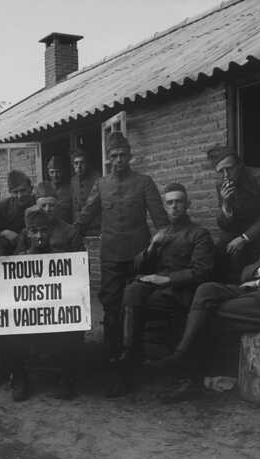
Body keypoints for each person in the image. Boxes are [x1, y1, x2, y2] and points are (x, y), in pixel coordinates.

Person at [153, 195, 260, 374]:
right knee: (207, 290)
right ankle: (183, 357)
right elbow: (245, 273)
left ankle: (189, 365)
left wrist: (258, 282)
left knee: (215, 311)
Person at [74, 131, 168, 393]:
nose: (118, 160)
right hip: (111, 257)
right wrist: (67, 234)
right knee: (112, 310)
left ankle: (133, 362)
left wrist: (151, 249)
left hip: (139, 257)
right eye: (113, 156)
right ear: (108, 159)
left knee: (136, 307)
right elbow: (85, 216)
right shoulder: (102, 185)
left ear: (130, 156)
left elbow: (162, 224)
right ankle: (113, 363)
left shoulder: (144, 182)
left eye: (122, 155)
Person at [116, 182, 215, 393]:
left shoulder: (199, 234)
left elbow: (202, 271)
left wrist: (168, 280)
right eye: (169, 202)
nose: (174, 206)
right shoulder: (161, 233)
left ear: (187, 204)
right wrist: (152, 247)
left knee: (154, 301)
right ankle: (129, 358)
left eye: (179, 202)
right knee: (131, 291)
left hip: (182, 290)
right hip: (157, 285)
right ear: (165, 205)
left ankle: (181, 373)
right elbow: (139, 266)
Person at [0, 206, 85, 401]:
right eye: (34, 231)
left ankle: (66, 379)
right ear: (27, 233)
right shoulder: (18, 260)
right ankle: (20, 378)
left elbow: (77, 289)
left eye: (44, 230)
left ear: (50, 231)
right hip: (29, 318)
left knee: (74, 328)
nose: (39, 236)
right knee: (7, 330)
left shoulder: (63, 259)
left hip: (54, 317)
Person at [208, 145, 260, 283]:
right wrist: (226, 205)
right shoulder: (221, 185)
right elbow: (224, 226)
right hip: (238, 229)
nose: (226, 175)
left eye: (230, 168)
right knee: (219, 248)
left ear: (240, 165)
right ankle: (225, 287)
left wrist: (244, 238)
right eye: (221, 171)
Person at [0, 169, 35, 245]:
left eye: (23, 190)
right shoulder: (2, 207)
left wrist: (20, 238)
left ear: (31, 189)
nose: (19, 196)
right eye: (15, 192)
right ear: (10, 192)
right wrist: (3, 233)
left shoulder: (38, 203)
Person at [70, 147, 100, 234]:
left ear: (87, 163)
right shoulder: (73, 181)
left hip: (95, 226)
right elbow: (74, 206)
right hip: (79, 228)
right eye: (76, 163)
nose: (79, 166)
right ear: (73, 165)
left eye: (82, 163)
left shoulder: (96, 177)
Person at [46, 154, 73, 223]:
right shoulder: (42, 187)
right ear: (48, 173)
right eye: (52, 172)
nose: (55, 175)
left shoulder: (71, 188)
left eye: (58, 171)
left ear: (63, 171)